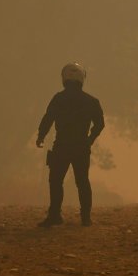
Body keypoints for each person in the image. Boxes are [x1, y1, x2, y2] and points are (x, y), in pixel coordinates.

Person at [35, 62, 104, 227]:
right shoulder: (91, 101)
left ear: (64, 79)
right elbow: (100, 124)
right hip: (81, 146)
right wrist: (90, 139)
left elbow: (48, 118)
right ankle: (86, 218)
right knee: (82, 181)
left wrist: (41, 136)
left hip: (61, 145)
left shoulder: (58, 98)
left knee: (56, 180)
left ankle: (55, 216)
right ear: (82, 79)